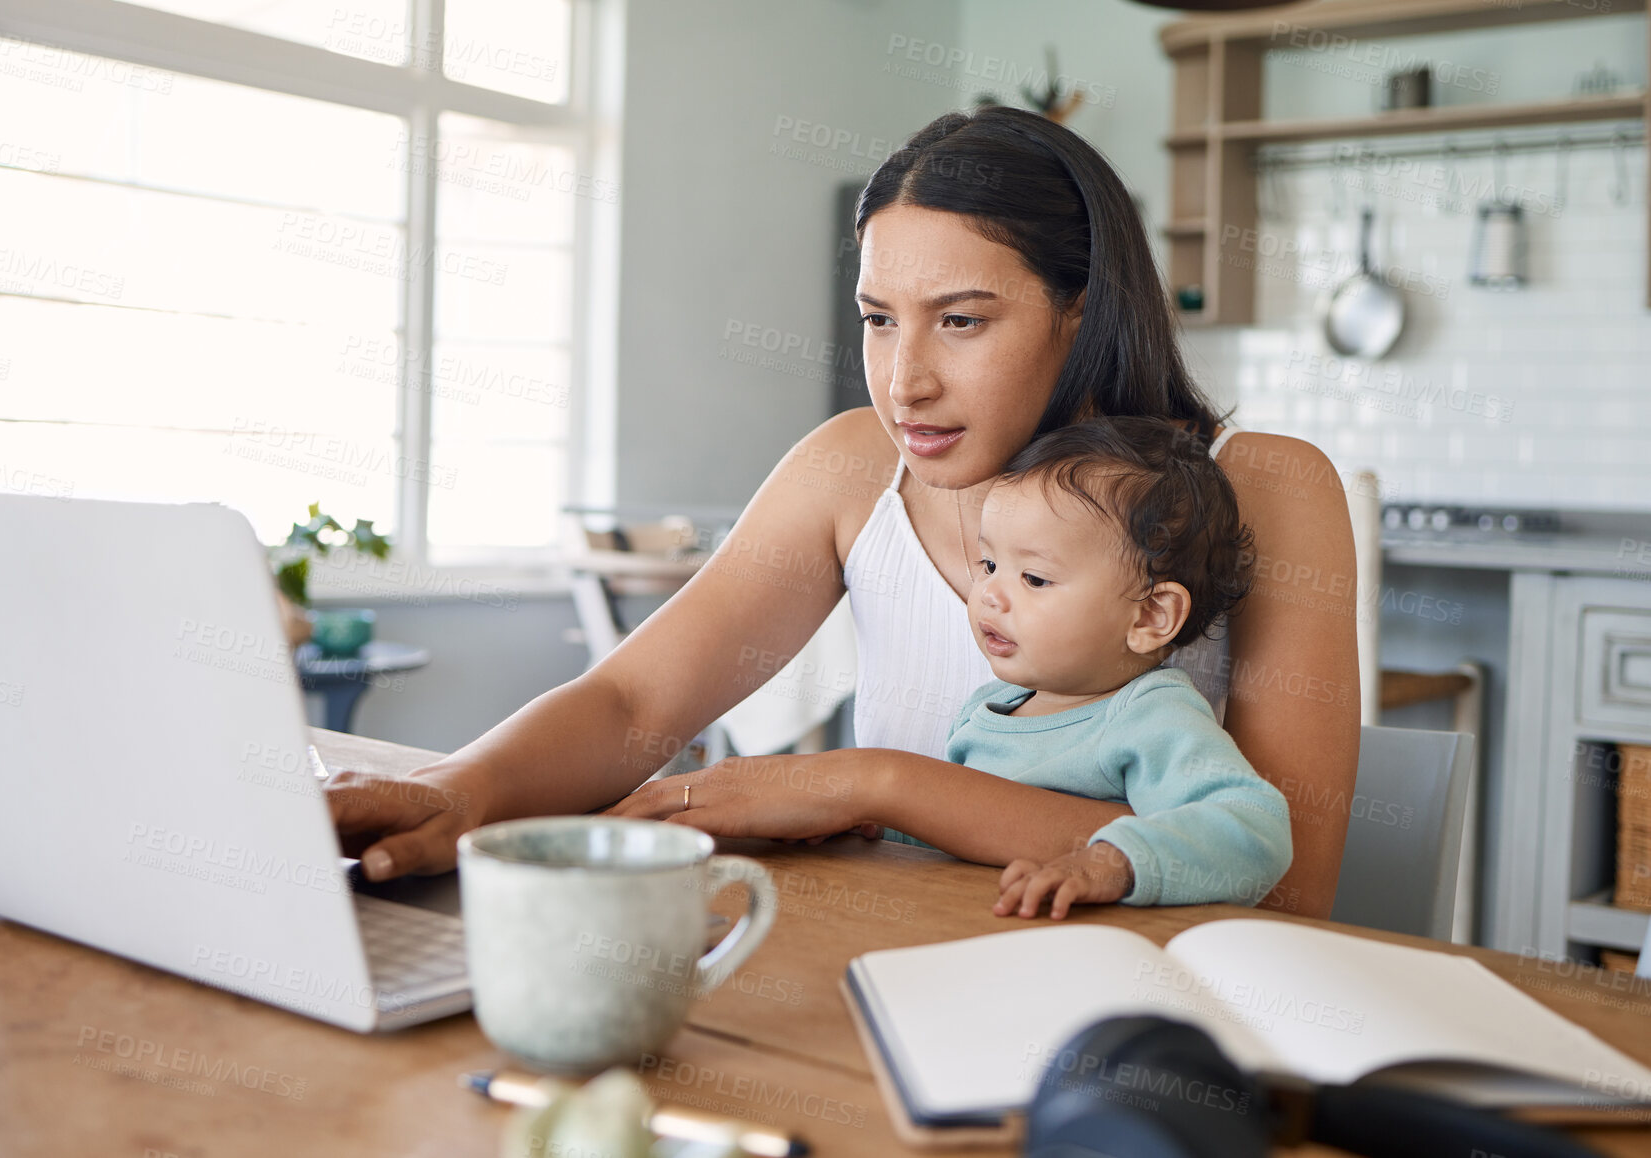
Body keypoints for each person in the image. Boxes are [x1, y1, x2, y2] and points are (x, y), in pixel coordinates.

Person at [326, 105, 1359, 917]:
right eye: (877, 320)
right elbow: (635, 707)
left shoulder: (1261, 485)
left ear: (1082, 309)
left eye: (960, 321)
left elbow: (1287, 878)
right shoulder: (850, 468)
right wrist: (460, 793)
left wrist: (870, 785)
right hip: (894, 967)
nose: (903, 382)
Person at [877, 417, 1291, 918]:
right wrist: (880, 826)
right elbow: (957, 836)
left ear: (1149, 615)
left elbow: (1253, 829)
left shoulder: (1151, 717)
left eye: (1033, 577)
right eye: (988, 566)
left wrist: (1112, 863)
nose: (989, 594)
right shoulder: (986, 712)